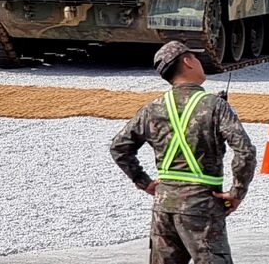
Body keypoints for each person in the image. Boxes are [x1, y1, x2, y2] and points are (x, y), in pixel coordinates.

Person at [110, 41, 258, 264]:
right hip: (202, 207)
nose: (199, 62)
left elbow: (119, 147)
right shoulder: (215, 106)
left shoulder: (153, 107)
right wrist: (237, 192)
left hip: (163, 207)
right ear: (188, 62)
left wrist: (145, 182)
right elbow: (245, 151)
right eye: (196, 58)